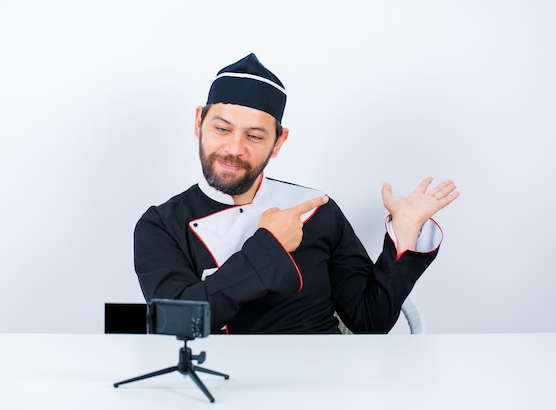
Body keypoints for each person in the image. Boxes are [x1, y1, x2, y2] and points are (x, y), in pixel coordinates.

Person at [134, 53, 459, 334]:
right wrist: (268, 246)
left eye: (255, 136)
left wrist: (404, 235)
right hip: (222, 388)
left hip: (325, 382)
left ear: (278, 142)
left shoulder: (316, 208)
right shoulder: (160, 225)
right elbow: (175, 322)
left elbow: (369, 321)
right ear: (198, 123)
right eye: (222, 129)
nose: (234, 148)